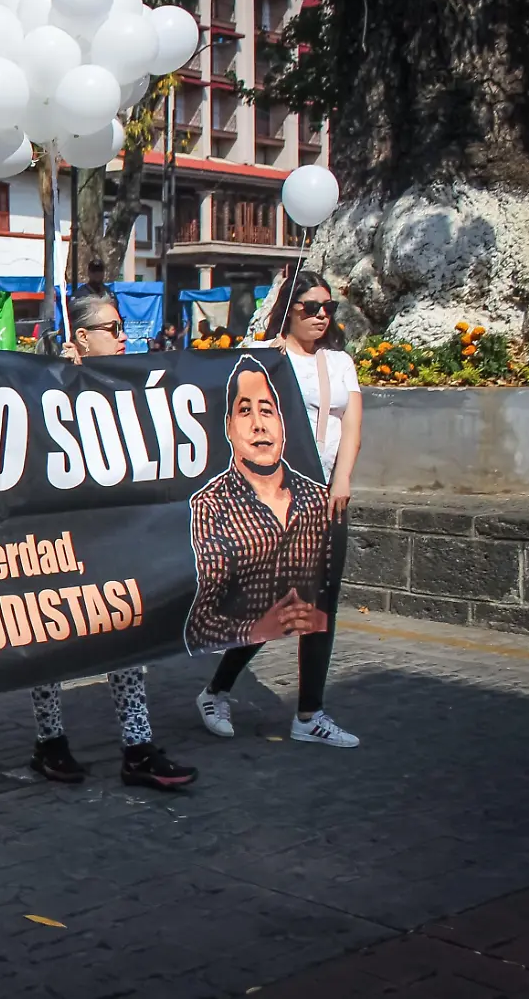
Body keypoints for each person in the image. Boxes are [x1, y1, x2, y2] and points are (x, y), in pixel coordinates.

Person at [21, 296, 200, 789]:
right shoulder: (45, 387)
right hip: (60, 539)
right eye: (112, 328)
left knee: (128, 638)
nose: (124, 337)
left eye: (123, 328)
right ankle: (50, 742)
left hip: (118, 537)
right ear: (81, 338)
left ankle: (138, 748)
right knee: (51, 638)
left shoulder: (132, 387)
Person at [197, 273, 362, 748]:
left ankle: (309, 713)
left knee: (320, 606)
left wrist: (343, 479)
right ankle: (216, 690)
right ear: (289, 308)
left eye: (328, 307)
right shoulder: (269, 357)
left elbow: (350, 424)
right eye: (310, 306)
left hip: (326, 499)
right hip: (276, 499)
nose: (321, 316)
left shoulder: (339, 363)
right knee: (269, 602)